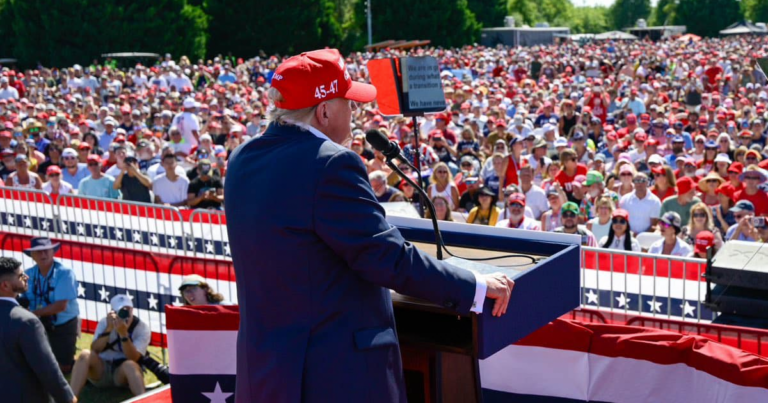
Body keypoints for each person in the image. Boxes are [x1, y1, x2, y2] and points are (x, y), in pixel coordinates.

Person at [223, 49, 514, 402]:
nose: (354, 113)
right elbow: (386, 257)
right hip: (329, 375)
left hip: (266, 370)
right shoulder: (329, 164)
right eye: (349, 103)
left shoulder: (242, 158)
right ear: (324, 111)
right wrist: (476, 286)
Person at [0, 257, 76, 403]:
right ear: (5, 285)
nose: (26, 277)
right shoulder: (27, 322)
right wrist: (67, 397)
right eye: (20, 276)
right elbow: (46, 368)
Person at [69, 295, 150, 398]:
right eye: (120, 312)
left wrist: (124, 335)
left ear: (132, 310)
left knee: (130, 365)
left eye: (127, 311)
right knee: (85, 355)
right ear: (113, 312)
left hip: (122, 373)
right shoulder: (105, 322)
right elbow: (95, 349)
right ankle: (70, 398)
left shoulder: (142, 328)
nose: (125, 316)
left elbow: (133, 358)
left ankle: (144, 399)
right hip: (102, 370)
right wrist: (108, 329)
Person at [20, 237, 80, 374]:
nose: (43, 254)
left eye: (46, 251)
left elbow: (60, 306)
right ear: (32, 255)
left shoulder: (65, 273)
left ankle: (74, 362)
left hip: (63, 324)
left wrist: (32, 314)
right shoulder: (28, 274)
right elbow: (21, 298)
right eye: (38, 251)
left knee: (63, 368)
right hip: (37, 323)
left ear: (53, 252)